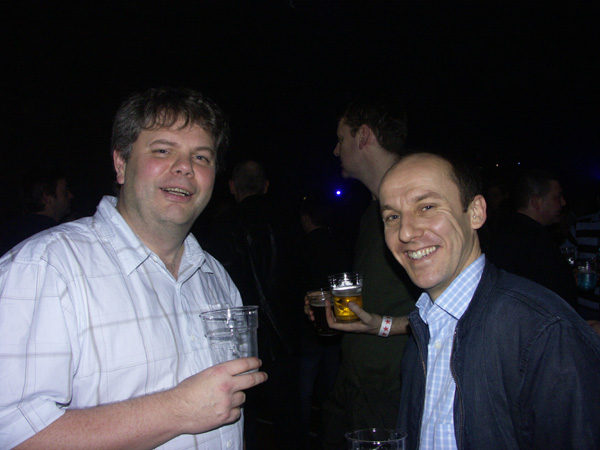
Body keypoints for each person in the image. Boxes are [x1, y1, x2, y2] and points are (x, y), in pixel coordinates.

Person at [0, 87, 267, 450]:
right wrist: (176, 410)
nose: (185, 167)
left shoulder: (214, 276)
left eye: (201, 157)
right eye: (163, 150)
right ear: (121, 164)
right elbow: (13, 435)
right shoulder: (45, 269)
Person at [327, 152, 600, 449]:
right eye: (392, 217)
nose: (405, 232)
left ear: (476, 213)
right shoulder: (424, 328)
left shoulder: (543, 332)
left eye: (427, 207)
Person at [320, 94, 417, 449]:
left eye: (341, 138)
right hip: (355, 381)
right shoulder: (371, 211)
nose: (336, 150)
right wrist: (335, 304)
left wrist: (382, 325)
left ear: (363, 136)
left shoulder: (418, 204)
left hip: (392, 389)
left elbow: (456, 308)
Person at [205, 160, 302, 449]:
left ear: (232, 187)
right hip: (289, 339)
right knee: (289, 420)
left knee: (242, 417)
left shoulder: (223, 226)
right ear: (266, 186)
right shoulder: (290, 222)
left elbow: (217, 290)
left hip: (244, 342)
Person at [486, 169, 578, 308]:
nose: (563, 202)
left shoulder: (507, 230)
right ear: (536, 202)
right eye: (557, 197)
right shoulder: (534, 241)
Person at [0, 168, 74, 255]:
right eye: (65, 192)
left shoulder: (8, 231)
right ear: (47, 198)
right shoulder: (54, 236)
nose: (71, 196)